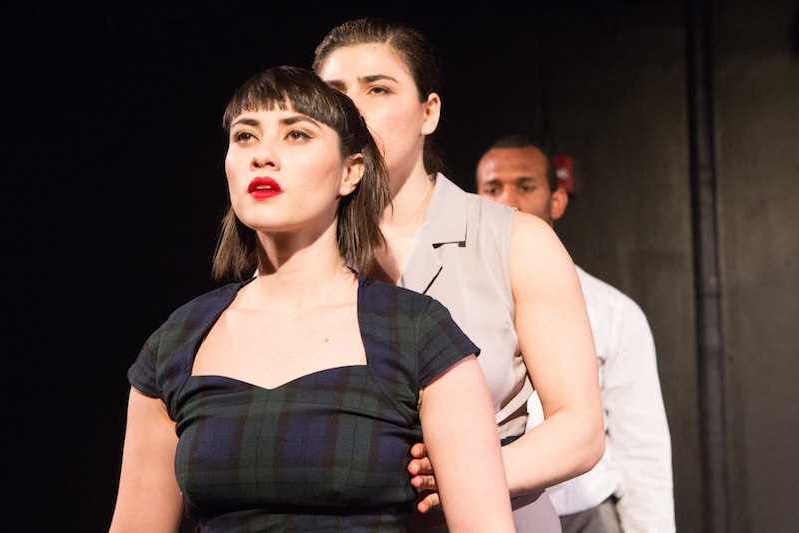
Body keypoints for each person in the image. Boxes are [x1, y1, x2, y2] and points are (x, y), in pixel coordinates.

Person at [109, 65, 517, 532]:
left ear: (350, 171)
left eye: (296, 135)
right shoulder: (179, 341)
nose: (263, 156)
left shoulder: (417, 332)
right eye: (245, 136)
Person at [313, 18, 605, 531]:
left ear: (428, 112)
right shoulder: (306, 250)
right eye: (336, 93)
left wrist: (466, 473)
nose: (354, 108)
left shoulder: (513, 239)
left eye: (378, 89)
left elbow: (580, 429)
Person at [476, 134, 675, 532]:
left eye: (525, 186)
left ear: (557, 201)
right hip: (489, 507)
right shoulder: (449, 304)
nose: (507, 200)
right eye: (493, 189)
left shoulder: (613, 311)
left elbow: (641, 447)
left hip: (584, 511)